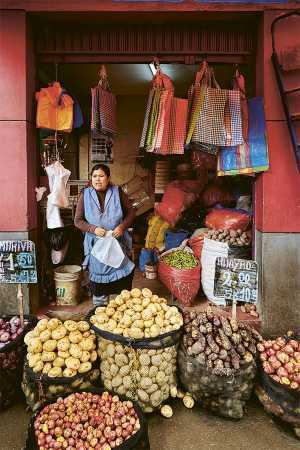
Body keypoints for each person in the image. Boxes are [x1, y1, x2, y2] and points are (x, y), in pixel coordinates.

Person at [74, 164, 136, 306]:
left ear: (108, 178)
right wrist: (93, 229)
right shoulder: (85, 194)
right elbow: (77, 221)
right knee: (99, 288)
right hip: (96, 247)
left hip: (117, 244)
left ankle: (122, 316)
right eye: (94, 176)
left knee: (122, 290)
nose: (97, 179)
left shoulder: (118, 192)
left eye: (101, 176)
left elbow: (131, 213)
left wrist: (122, 226)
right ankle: (99, 312)